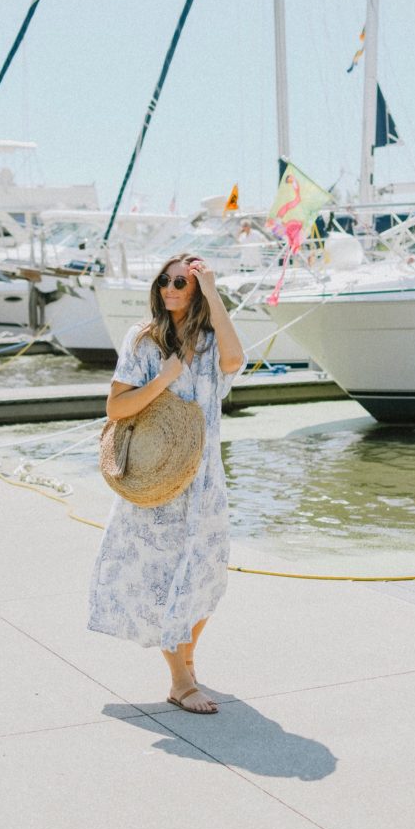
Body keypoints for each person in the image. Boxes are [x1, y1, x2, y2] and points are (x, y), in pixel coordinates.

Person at [88, 253, 246, 714]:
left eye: (182, 281)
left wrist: (213, 288)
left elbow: (235, 359)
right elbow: (116, 410)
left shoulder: (215, 339)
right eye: (164, 280)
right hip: (157, 482)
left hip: (206, 481)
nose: (171, 288)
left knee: (208, 576)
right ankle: (179, 679)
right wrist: (163, 378)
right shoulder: (143, 339)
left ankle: (189, 658)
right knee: (161, 579)